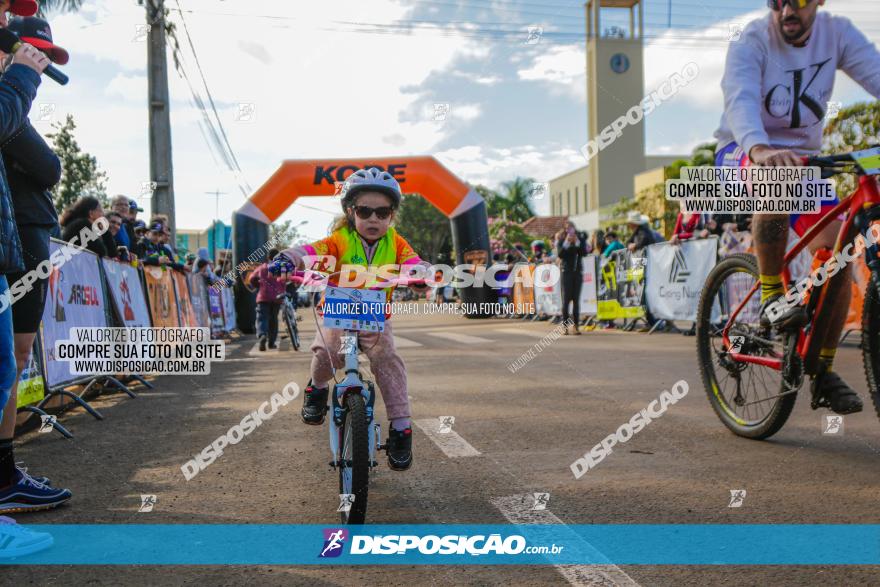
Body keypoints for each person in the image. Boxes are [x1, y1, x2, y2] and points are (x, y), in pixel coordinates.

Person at [714, 0, 880, 414]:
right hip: (742, 149)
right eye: (777, 0)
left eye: (800, 0)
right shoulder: (752, 40)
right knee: (777, 178)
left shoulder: (837, 33)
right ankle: (772, 294)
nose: (787, 9)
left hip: (805, 160)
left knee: (841, 255)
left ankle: (821, 371)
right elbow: (740, 98)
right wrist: (759, 147)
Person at [272, 168, 428, 471]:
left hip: (374, 318)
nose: (374, 218)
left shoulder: (396, 242)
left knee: (388, 358)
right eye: (364, 211)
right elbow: (310, 251)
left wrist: (420, 274)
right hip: (337, 314)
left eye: (382, 212)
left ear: (392, 215)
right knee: (328, 352)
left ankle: (401, 428)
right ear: (350, 211)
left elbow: (413, 262)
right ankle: (316, 388)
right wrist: (288, 257)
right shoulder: (339, 240)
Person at [0, 1, 73, 515]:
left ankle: (5, 473)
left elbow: (50, 166)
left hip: (19, 240)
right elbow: (49, 167)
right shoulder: (12, 98)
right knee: (8, 362)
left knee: (11, 362)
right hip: (20, 243)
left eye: (46, 56)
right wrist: (20, 80)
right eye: (32, 53)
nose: (40, 64)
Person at [248, 248, 287, 351]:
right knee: (273, 320)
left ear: (268, 257)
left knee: (262, 318)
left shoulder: (262, 268)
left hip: (263, 296)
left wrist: (258, 285)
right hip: (277, 298)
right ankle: (271, 343)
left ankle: (262, 335)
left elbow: (251, 278)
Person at [556, 228, 588, 335]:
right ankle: (565, 326)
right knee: (566, 300)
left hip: (577, 273)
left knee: (576, 300)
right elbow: (560, 254)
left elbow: (584, 253)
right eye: (569, 233)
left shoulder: (580, 241)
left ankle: (576, 326)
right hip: (566, 273)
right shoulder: (561, 241)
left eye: (573, 233)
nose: (571, 235)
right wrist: (567, 242)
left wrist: (577, 242)